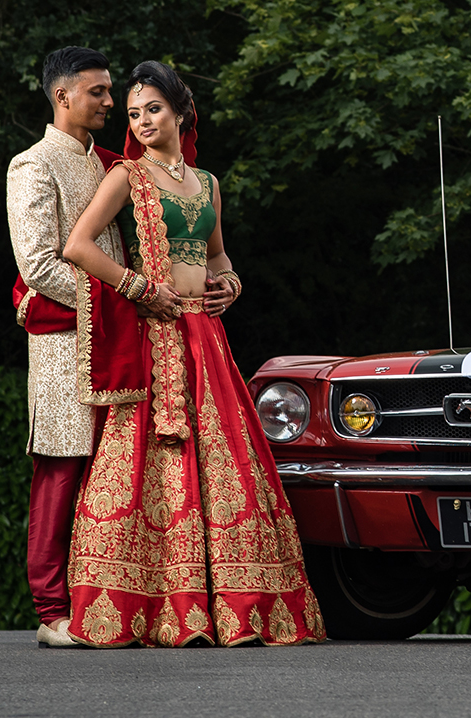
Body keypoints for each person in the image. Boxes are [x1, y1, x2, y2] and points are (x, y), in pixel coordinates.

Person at [61, 61, 325, 647]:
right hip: (156, 338)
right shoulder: (128, 176)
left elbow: (219, 256)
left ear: (181, 112)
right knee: (154, 470)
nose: (141, 120)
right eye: (132, 113)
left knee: (228, 469)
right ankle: (158, 609)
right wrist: (136, 287)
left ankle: (240, 608)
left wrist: (232, 283)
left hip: (206, 336)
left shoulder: (207, 183)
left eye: (152, 108)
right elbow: (79, 246)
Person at [5, 46, 176, 648]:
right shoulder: (32, 166)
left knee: (114, 474)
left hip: (119, 340)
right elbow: (40, 265)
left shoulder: (112, 163)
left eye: (111, 93)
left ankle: (106, 603)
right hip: (64, 346)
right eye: (99, 92)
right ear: (63, 97)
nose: (110, 102)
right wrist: (125, 295)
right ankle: (52, 611)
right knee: (61, 469)